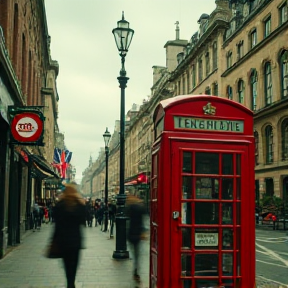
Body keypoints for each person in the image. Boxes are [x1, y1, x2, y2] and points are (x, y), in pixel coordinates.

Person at [53, 182, 86, 288]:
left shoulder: (60, 205)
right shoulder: (78, 205)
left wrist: (54, 240)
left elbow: (56, 224)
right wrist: (81, 202)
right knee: (74, 265)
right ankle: (72, 282)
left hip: (62, 241)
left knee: (67, 265)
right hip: (75, 241)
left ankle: (69, 283)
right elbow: (85, 219)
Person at [126, 194, 146, 283]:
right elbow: (144, 217)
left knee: (135, 254)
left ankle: (136, 270)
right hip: (138, 233)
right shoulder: (139, 207)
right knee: (137, 254)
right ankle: (136, 270)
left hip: (131, 233)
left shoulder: (129, 207)